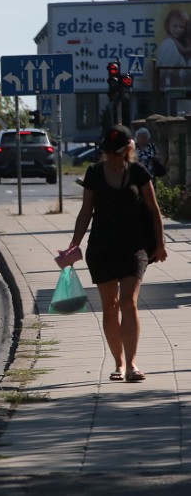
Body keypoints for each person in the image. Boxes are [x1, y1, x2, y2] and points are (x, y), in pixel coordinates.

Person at [67, 125, 168, 383]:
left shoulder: (138, 172)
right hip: (102, 248)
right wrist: (74, 244)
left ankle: (132, 364)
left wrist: (160, 244)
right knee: (110, 307)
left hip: (134, 247)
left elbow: (154, 210)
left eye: (116, 151)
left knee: (128, 302)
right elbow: (85, 211)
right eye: (108, 151)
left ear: (128, 149)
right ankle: (119, 364)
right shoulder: (93, 173)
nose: (110, 156)